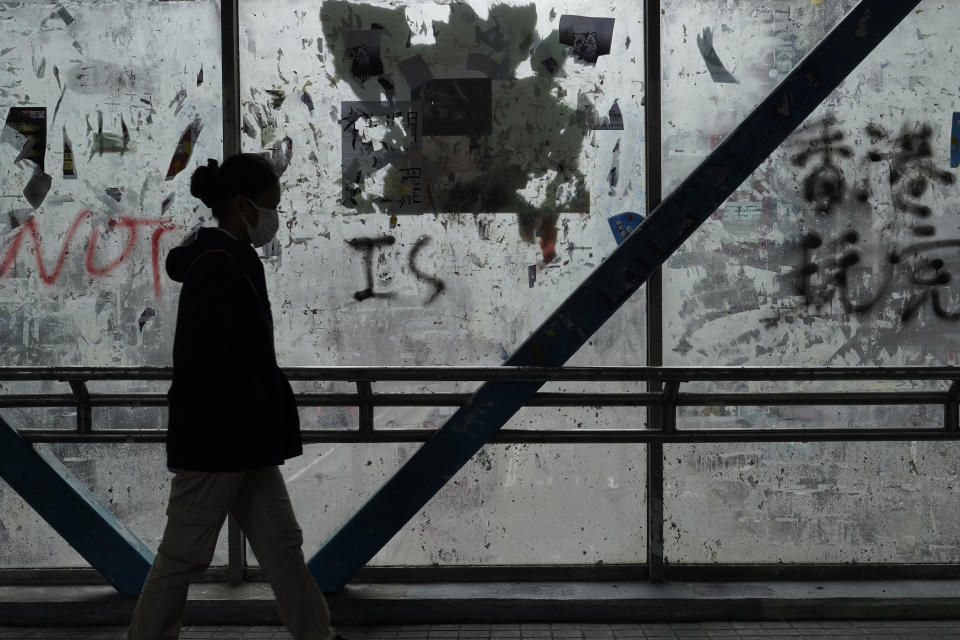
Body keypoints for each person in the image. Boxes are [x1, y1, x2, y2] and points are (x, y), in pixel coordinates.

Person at [127, 153, 344, 640]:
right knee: (182, 556)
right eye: (271, 206)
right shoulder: (216, 266)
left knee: (282, 546)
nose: (275, 218)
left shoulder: (230, 258)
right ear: (242, 205)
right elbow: (212, 363)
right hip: (217, 440)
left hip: (244, 439)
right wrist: (259, 403)